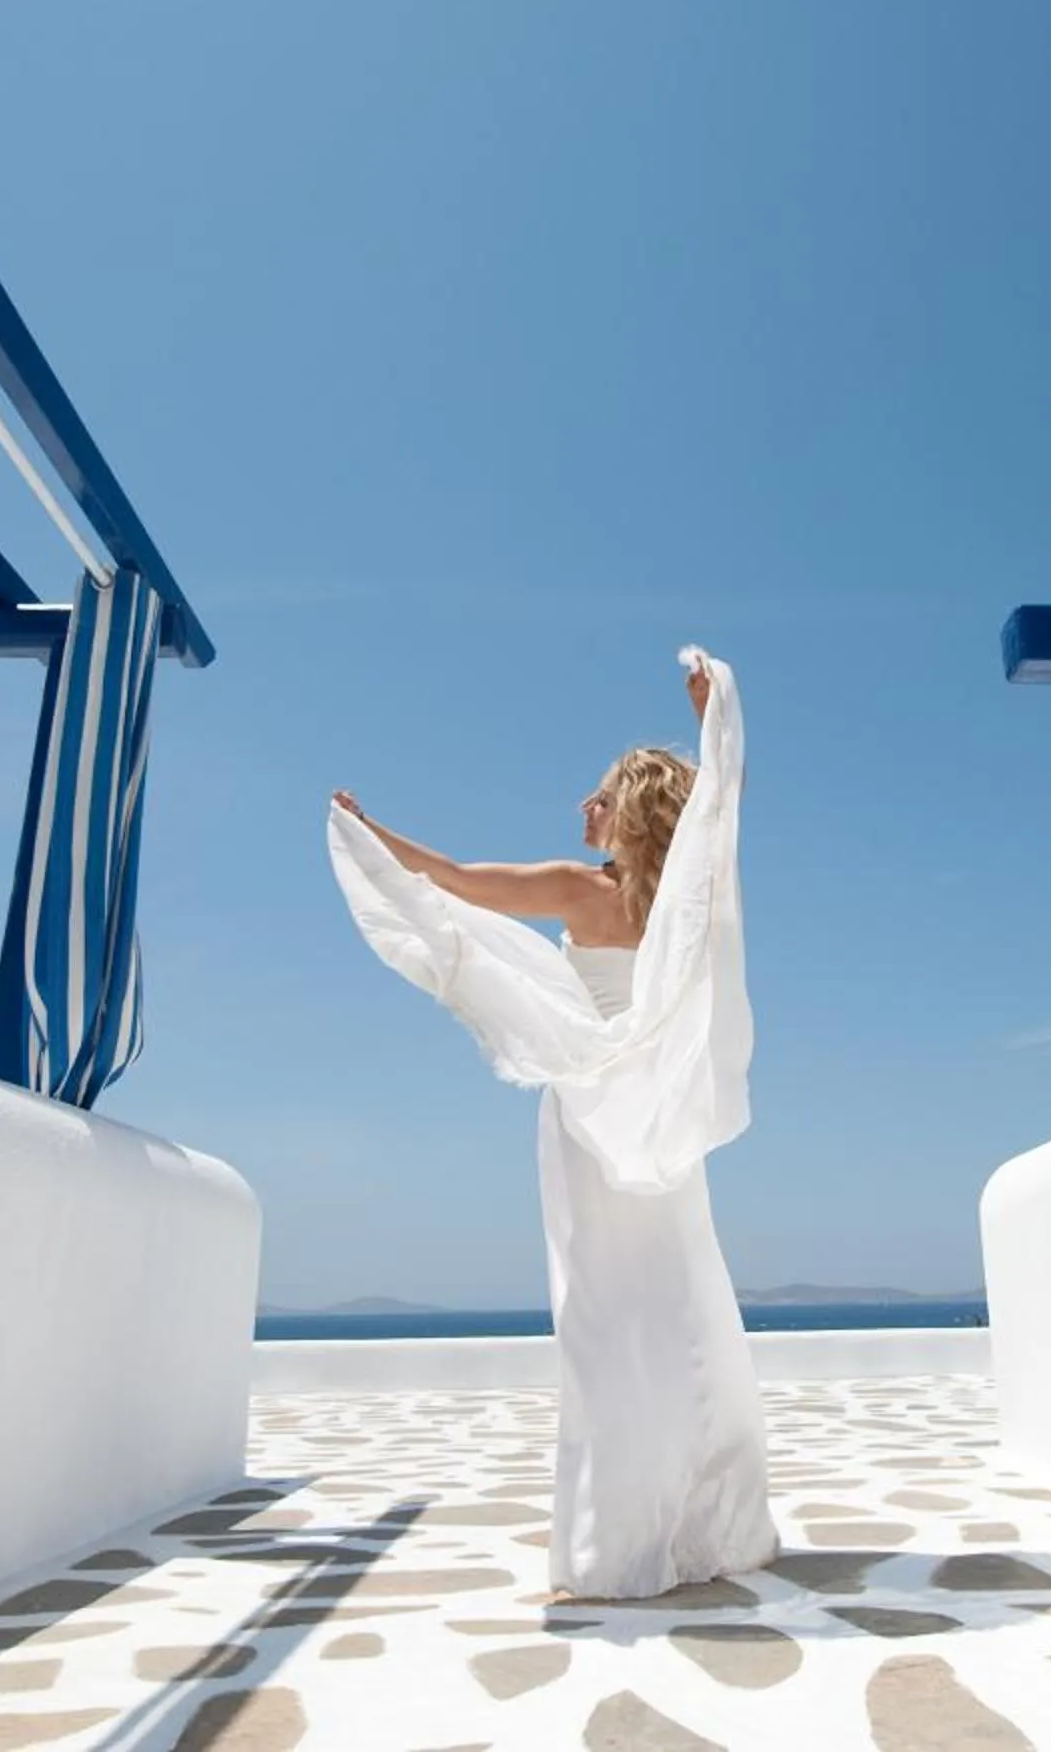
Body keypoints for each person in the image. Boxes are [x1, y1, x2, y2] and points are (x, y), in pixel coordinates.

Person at [327, 648, 779, 1601]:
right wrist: (712, 719)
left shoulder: (584, 891)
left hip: (586, 1118)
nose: (585, 807)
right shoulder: (683, 913)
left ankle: (616, 1542)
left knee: (601, 1318)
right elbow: (721, 821)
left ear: (637, 812)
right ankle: (709, 1525)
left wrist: (373, 835)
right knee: (682, 1306)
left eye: (603, 796)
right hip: (657, 1123)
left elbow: (452, 881)